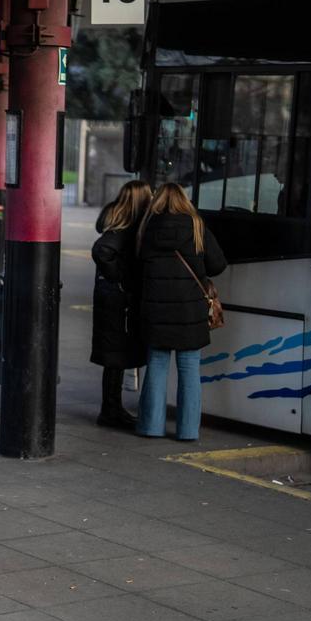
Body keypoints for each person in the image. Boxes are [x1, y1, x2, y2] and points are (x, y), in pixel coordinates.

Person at [136, 183, 227, 441]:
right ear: (184, 200)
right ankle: (187, 430)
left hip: (155, 309)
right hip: (190, 311)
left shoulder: (148, 227)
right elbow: (218, 264)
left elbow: (139, 264)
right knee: (189, 369)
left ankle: (151, 427)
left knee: (156, 366)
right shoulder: (197, 225)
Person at [91, 180, 152, 429]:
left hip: (109, 296)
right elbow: (101, 250)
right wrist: (121, 276)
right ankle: (110, 410)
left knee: (114, 356)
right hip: (118, 299)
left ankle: (111, 408)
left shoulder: (116, 217)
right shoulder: (125, 226)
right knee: (116, 355)